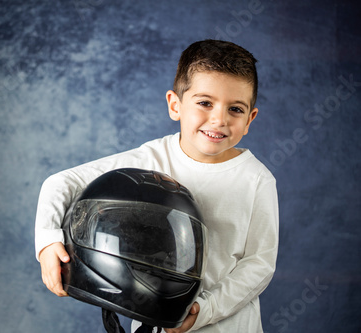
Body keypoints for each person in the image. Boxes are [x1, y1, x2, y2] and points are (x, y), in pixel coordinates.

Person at [35, 39, 279, 333]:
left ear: (250, 118)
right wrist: (49, 241)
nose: (219, 119)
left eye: (235, 109)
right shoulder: (148, 161)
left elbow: (259, 264)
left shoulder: (257, 180)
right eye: (204, 103)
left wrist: (205, 309)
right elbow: (61, 182)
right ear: (175, 105)